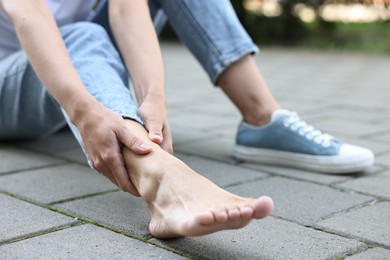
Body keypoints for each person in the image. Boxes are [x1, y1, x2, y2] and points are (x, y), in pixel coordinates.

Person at [0, 0, 372, 237]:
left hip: (75, 59)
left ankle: (264, 119)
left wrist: (154, 99)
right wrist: (83, 110)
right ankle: (156, 175)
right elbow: (29, 11)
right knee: (81, 35)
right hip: (10, 81)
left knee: (86, 34)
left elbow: (127, 9)